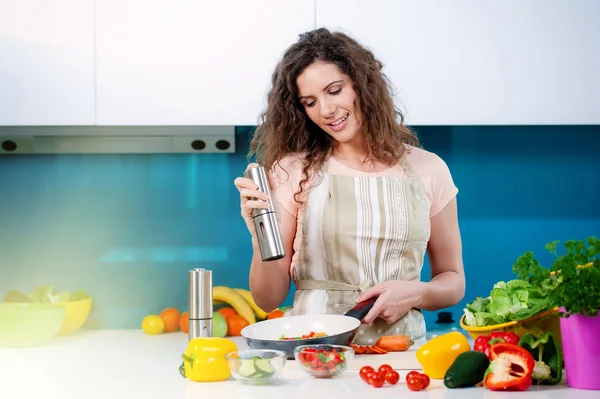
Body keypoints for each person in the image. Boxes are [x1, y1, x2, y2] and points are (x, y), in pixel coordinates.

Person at [234, 28, 465, 344]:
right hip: (312, 353)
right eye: (310, 101)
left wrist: (417, 293)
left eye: (334, 90)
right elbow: (267, 299)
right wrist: (259, 236)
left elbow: (453, 280)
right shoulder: (291, 171)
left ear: (362, 85)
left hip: (401, 357)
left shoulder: (429, 169)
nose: (326, 110)